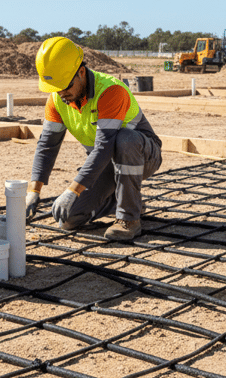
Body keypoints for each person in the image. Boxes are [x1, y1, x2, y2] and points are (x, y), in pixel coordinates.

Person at [25, 37, 162, 240]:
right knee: (69, 218)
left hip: (142, 156)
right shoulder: (57, 99)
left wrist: (73, 190)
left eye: (65, 86)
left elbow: (104, 147)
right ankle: (126, 200)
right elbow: (47, 145)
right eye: (56, 88)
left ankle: (129, 219)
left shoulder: (110, 91)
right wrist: (34, 190)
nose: (61, 93)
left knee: (125, 139)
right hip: (105, 164)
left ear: (81, 72)